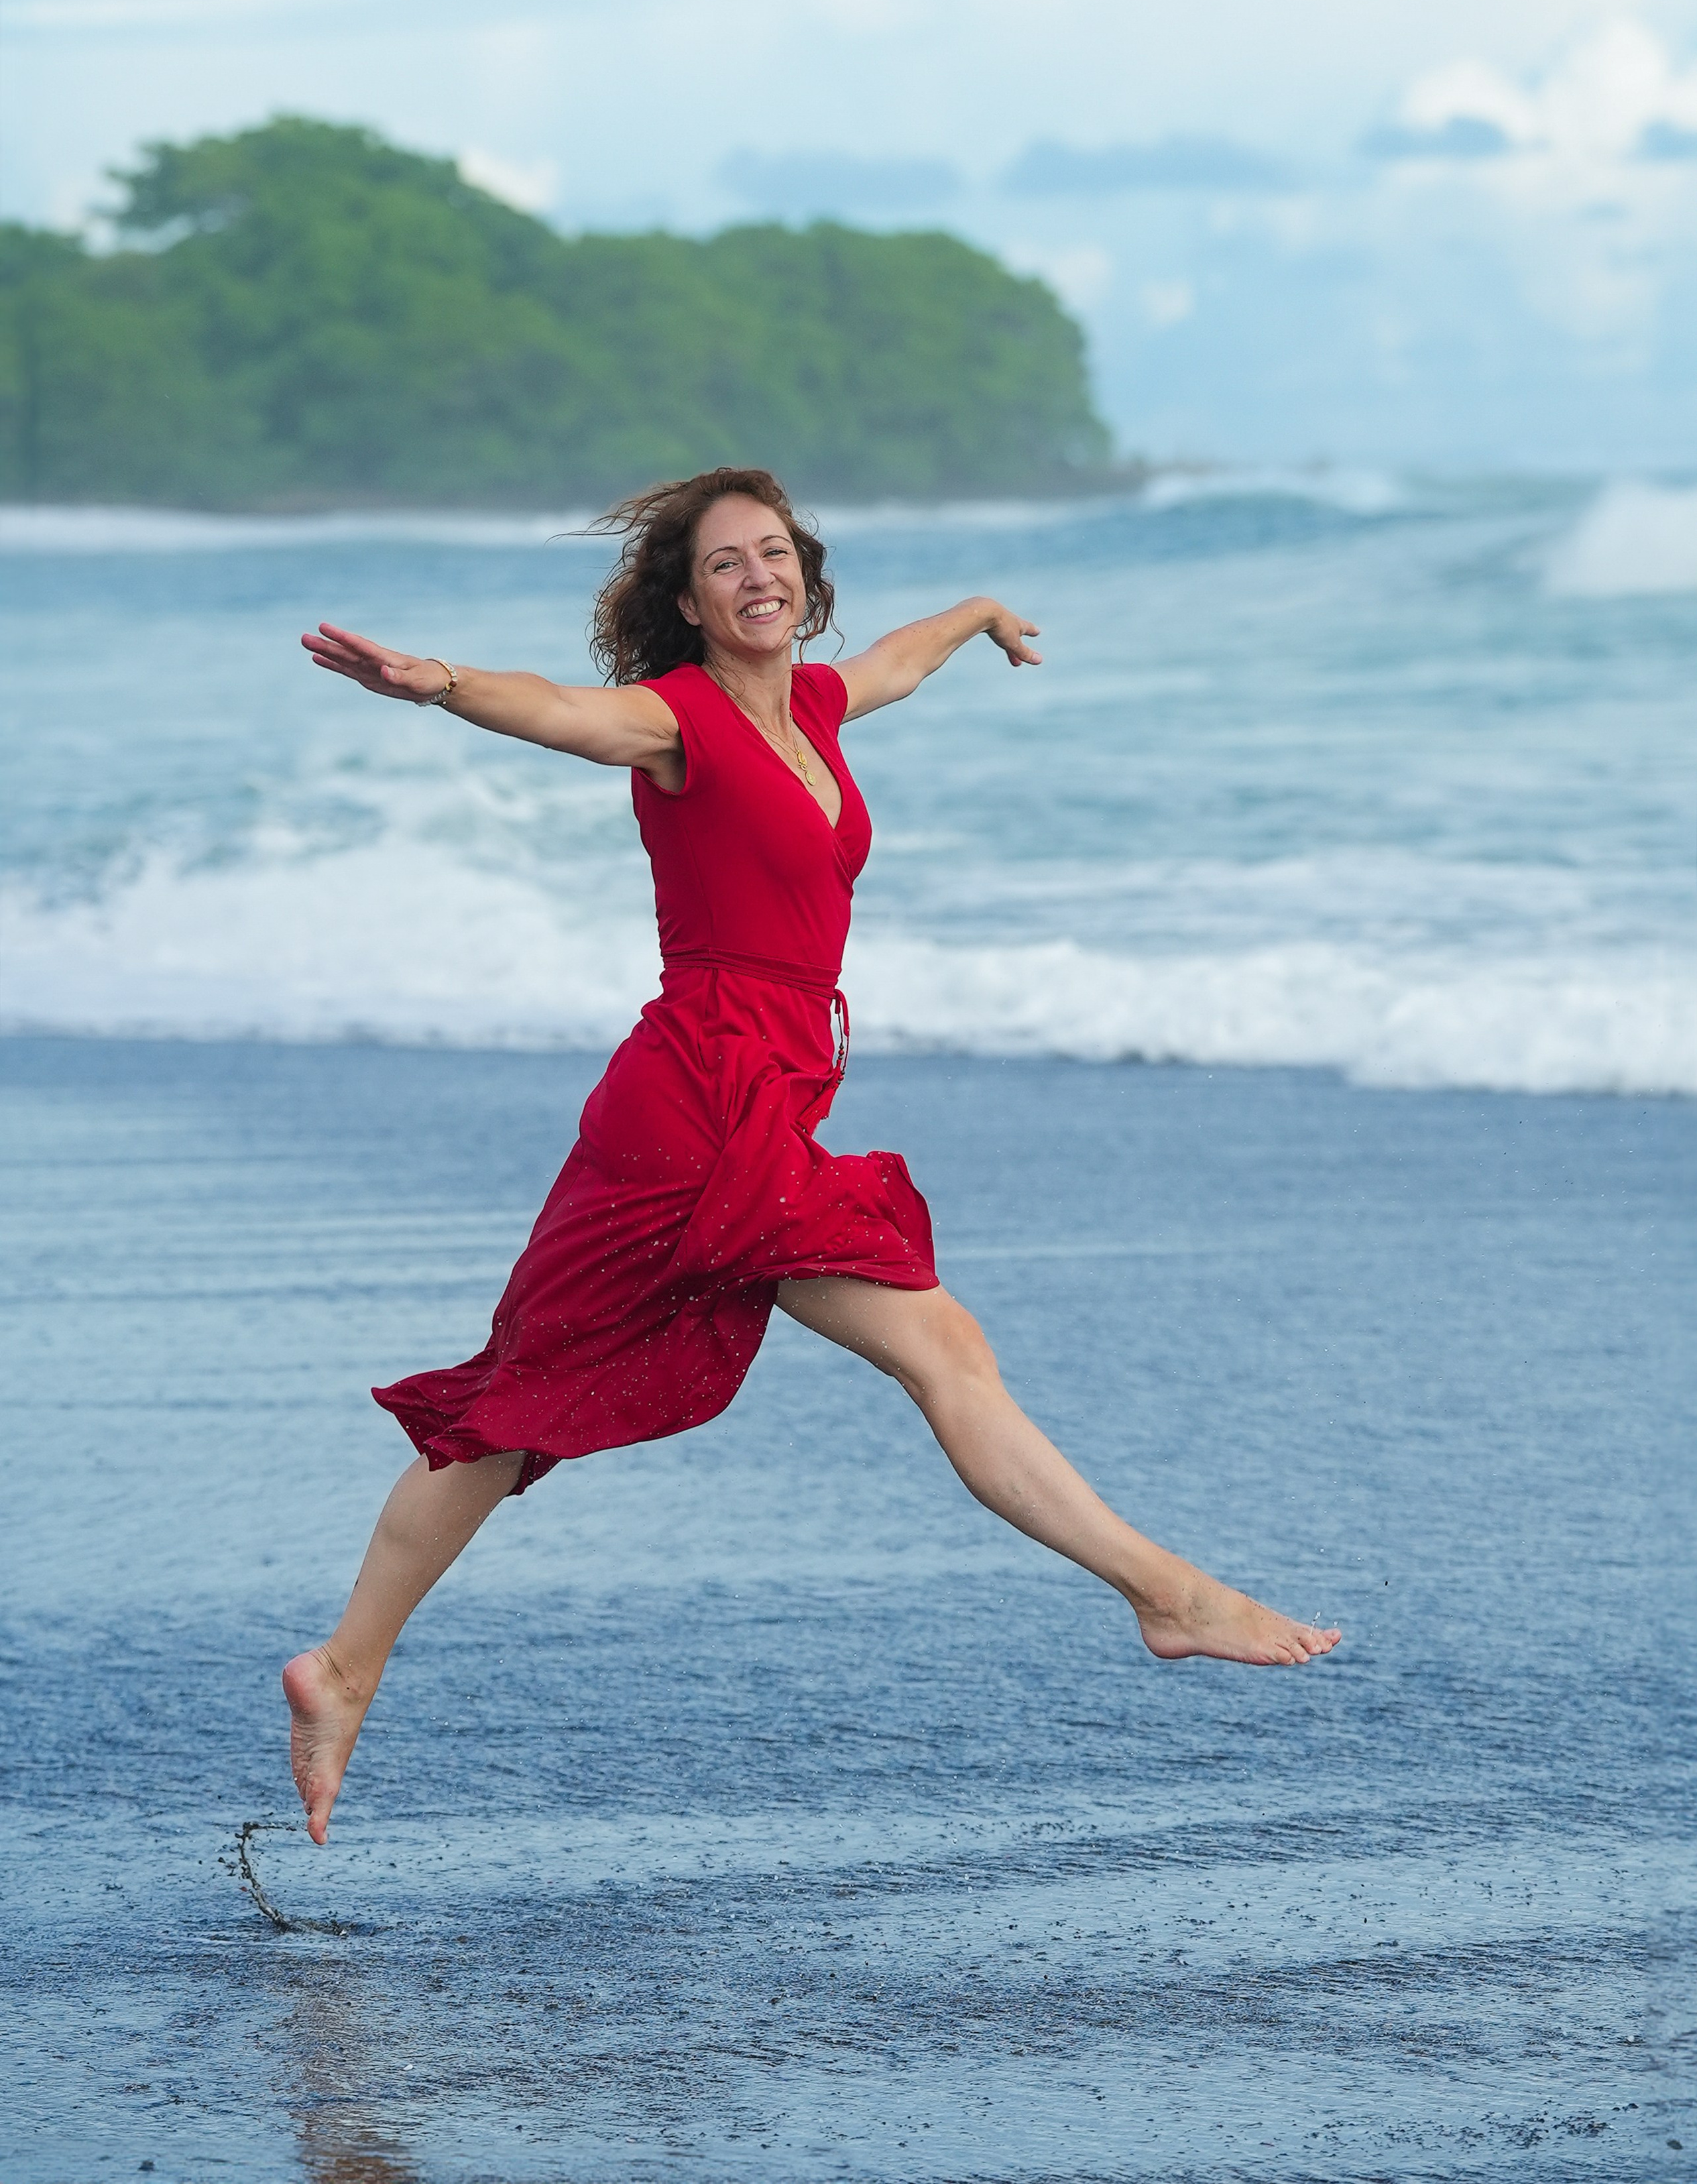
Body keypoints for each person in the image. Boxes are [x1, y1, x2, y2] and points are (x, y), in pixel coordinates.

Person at [285, 467, 1339, 1843]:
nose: (755, 578)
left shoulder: (818, 708)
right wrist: (440, 684)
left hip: (761, 1101)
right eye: (724, 565)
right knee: (899, 1355)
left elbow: (895, 663)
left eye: (771, 554)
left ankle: (345, 1668)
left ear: (803, 574)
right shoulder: (678, 720)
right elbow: (563, 708)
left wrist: (977, 612)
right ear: (688, 602)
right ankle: (1166, 1595)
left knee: (541, 1400)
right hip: (697, 1107)